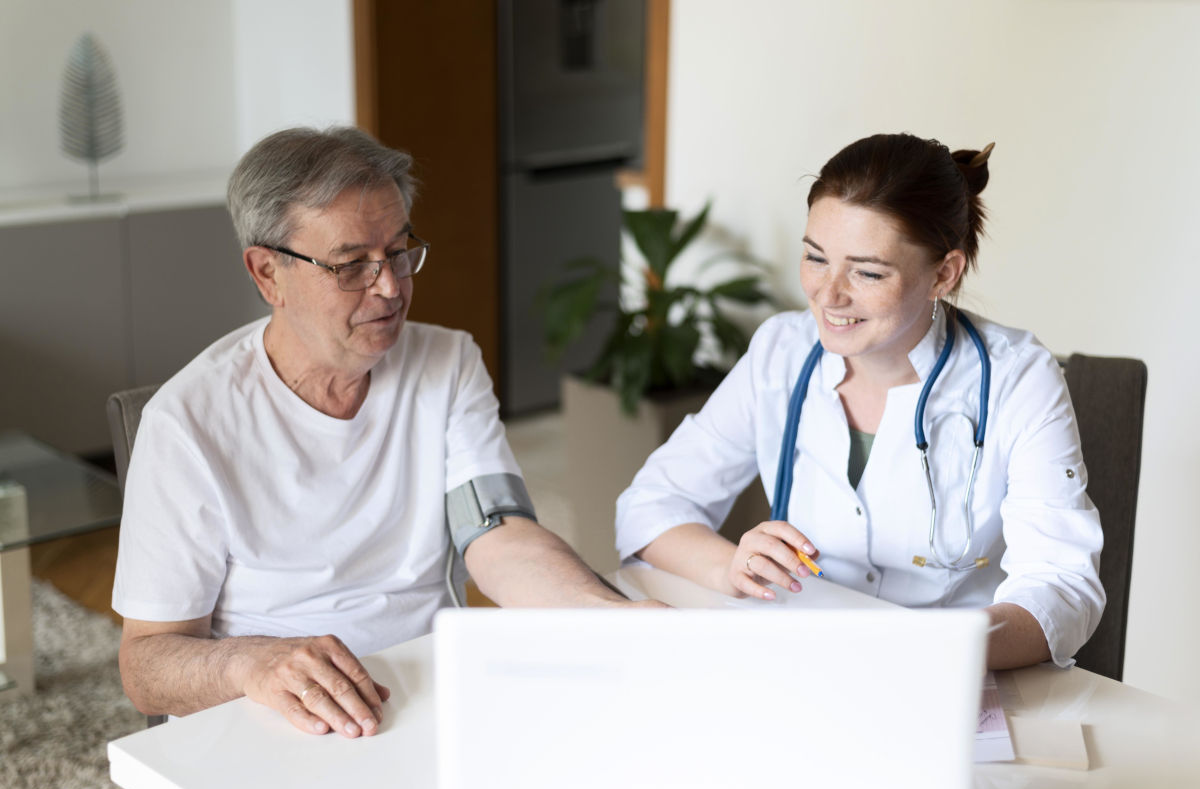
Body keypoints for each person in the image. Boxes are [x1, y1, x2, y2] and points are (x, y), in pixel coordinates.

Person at [113, 126, 657, 739]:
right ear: (268, 274)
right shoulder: (188, 423)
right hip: (281, 717)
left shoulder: (447, 363)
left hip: (433, 692)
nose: (391, 287)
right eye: (351, 266)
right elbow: (146, 664)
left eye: (398, 253)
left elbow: (499, 536)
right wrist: (251, 663)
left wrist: (608, 616)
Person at [615, 133, 1104, 671]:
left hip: (951, 680)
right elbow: (649, 507)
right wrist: (730, 565)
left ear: (944, 273)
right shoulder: (783, 349)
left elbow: (1063, 586)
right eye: (815, 257)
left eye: (868, 272)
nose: (829, 295)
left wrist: (944, 652)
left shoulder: (1018, 378)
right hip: (805, 667)